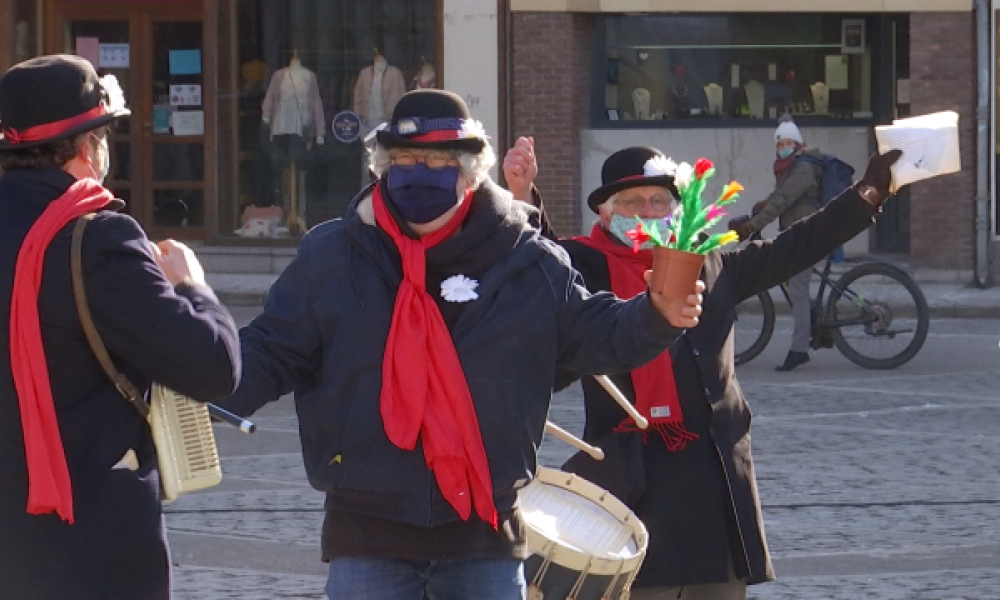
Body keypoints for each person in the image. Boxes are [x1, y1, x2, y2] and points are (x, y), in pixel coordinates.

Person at [214, 89, 704, 600]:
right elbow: (273, 348)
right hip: (364, 527)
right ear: (383, 167)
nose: (417, 172)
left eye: (437, 160)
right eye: (404, 159)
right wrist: (202, 384)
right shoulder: (333, 255)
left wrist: (656, 316)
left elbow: (596, 334)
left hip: (486, 534)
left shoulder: (528, 259)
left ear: (470, 171)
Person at [504, 141, 901, 599]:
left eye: (659, 201)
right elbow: (540, 266)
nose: (648, 213)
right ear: (607, 213)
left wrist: (869, 192)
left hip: (713, 480)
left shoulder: (710, 262)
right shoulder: (583, 266)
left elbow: (797, 246)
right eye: (632, 202)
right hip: (631, 480)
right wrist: (523, 196)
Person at [0, 55, 242, 599]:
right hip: (86, 539)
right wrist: (192, 286)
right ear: (89, 147)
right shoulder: (98, 238)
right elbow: (213, 365)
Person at [733, 115, 824, 371]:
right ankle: (815, 326)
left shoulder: (803, 168)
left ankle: (799, 350)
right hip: (797, 232)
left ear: (797, 144)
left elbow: (783, 200)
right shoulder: (789, 167)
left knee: (797, 290)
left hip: (808, 234)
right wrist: (761, 207)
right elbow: (778, 196)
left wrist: (755, 224)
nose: (783, 147)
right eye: (780, 144)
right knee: (794, 283)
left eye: (787, 143)